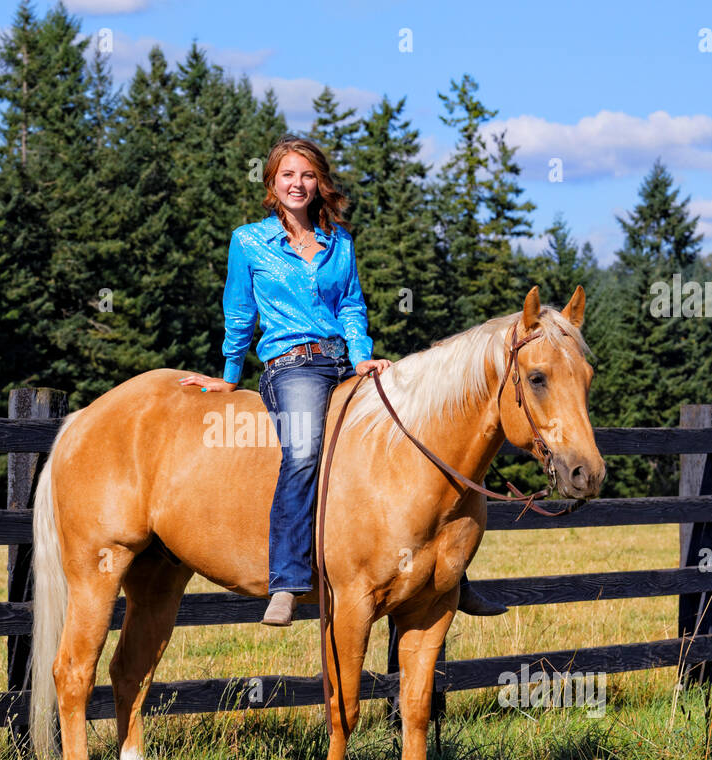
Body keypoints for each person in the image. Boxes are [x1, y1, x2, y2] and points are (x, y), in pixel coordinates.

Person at [179, 134, 506, 625]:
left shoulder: (339, 243)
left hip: (343, 365)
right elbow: (240, 313)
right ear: (272, 182)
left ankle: (451, 576)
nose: (298, 183)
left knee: (414, 439)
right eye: (288, 174)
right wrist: (229, 375)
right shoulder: (248, 241)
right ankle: (288, 580)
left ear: (319, 183)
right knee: (303, 450)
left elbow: (351, 305)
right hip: (291, 367)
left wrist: (362, 358)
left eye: (307, 175)